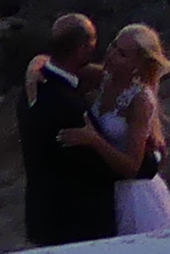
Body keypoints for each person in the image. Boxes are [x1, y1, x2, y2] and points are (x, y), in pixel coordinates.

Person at [68, 24, 170, 234]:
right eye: (113, 46)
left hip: (134, 195)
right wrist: (34, 68)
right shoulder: (103, 78)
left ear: (137, 64)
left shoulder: (140, 100)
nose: (111, 54)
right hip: (105, 188)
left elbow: (132, 167)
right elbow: (64, 68)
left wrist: (93, 140)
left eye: (122, 54)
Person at [19, 15, 116, 246]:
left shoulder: (32, 90)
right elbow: (97, 166)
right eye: (92, 43)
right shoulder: (68, 104)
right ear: (82, 48)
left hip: (44, 217)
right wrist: (148, 162)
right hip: (78, 225)